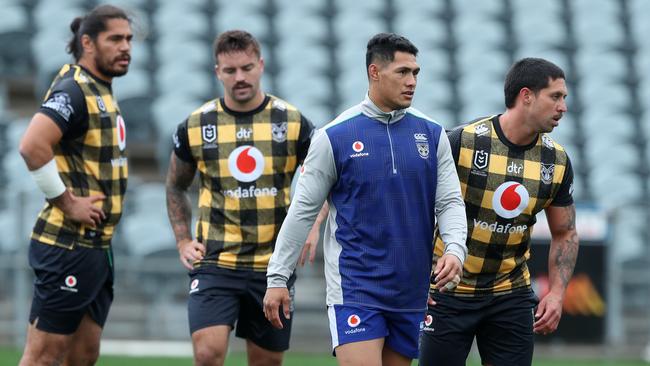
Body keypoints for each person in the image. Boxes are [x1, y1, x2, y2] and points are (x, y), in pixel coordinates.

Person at [263, 33, 468, 366]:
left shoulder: (433, 134)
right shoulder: (334, 136)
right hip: (356, 288)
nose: (412, 81)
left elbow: (448, 203)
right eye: (402, 72)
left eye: (416, 73)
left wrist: (456, 248)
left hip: (411, 289)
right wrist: (277, 277)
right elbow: (302, 213)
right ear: (375, 72)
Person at [165, 30, 319, 366]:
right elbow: (176, 185)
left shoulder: (292, 122)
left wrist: (313, 224)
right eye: (230, 71)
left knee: (266, 362)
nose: (240, 77)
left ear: (261, 65)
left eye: (247, 68)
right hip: (216, 260)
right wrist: (182, 240)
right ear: (217, 72)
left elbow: (321, 178)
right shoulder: (195, 125)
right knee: (207, 354)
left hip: (273, 264)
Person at [419, 58, 580, 366]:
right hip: (447, 291)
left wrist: (557, 293)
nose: (563, 107)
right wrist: (415, 279)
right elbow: (418, 212)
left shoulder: (557, 161)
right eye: (556, 96)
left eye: (565, 98)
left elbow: (565, 232)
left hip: (511, 293)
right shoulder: (462, 142)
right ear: (527, 95)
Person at [17, 5, 132, 365]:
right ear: (87, 42)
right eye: (114, 39)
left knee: (83, 356)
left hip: (96, 249)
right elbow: (32, 145)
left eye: (128, 39)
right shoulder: (75, 89)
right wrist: (68, 203)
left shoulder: (101, 89)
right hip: (68, 244)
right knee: (43, 357)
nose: (125, 47)